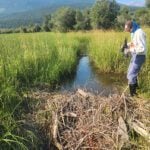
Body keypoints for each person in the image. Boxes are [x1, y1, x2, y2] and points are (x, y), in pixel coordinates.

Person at [124, 20, 146, 96]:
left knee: (131, 75)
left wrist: (129, 50)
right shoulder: (134, 32)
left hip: (139, 56)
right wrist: (126, 45)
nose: (128, 32)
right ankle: (136, 88)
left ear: (131, 27)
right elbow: (134, 43)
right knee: (130, 72)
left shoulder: (139, 33)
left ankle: (133, 95)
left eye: (128, 30)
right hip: (135, 55)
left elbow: (142, 49)